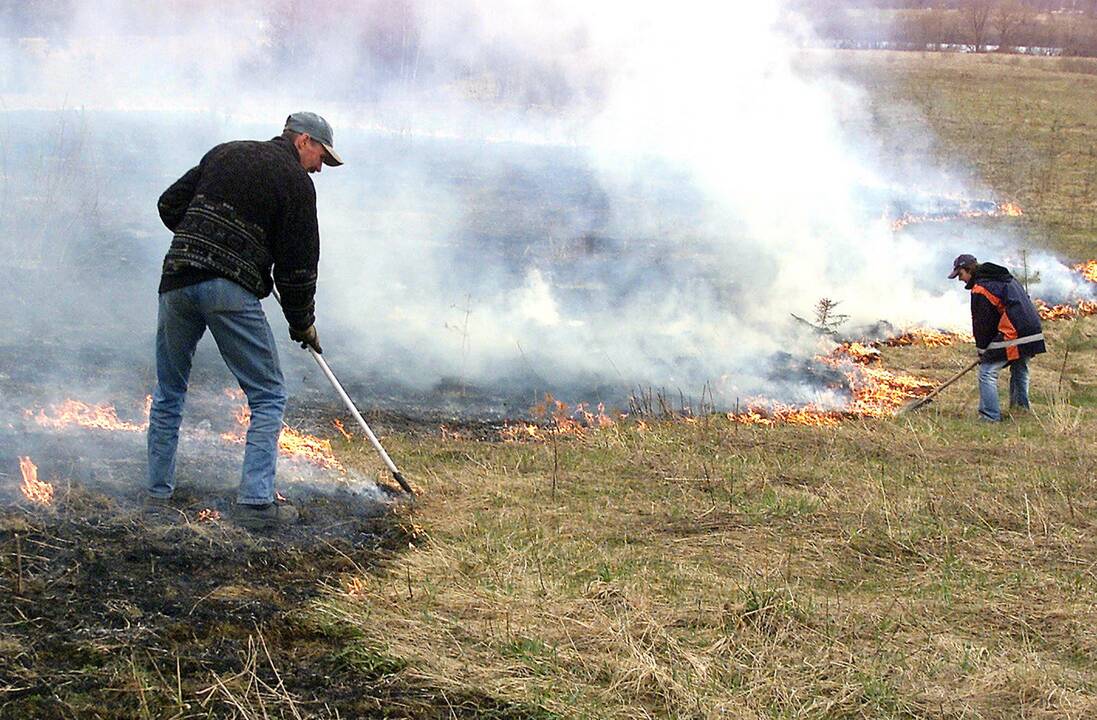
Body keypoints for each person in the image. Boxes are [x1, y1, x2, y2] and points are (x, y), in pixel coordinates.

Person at [147, 112, 343, 527]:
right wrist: (302, 322)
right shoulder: (296, 184)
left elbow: (169, 205)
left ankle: (157, 493)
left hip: (177, 279)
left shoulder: (225, 152)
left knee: (169, 391)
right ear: (303, 140)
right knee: (269, 394)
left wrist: (203, 240)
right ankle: (256, 502)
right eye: (321, 156)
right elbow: (298, 268)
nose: (320, 167)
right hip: (227, 290)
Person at [948, 253, 1045, 422]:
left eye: (960, 274)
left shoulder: (981, 288)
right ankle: (1021, 411)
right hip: (1032, 328)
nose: (960, 279)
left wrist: (983, 350)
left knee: (987, 371)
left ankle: (989, 417)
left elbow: (983, 324)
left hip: (1015, 330)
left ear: (969, 270)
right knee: (1019, 367)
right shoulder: (1004, 277)